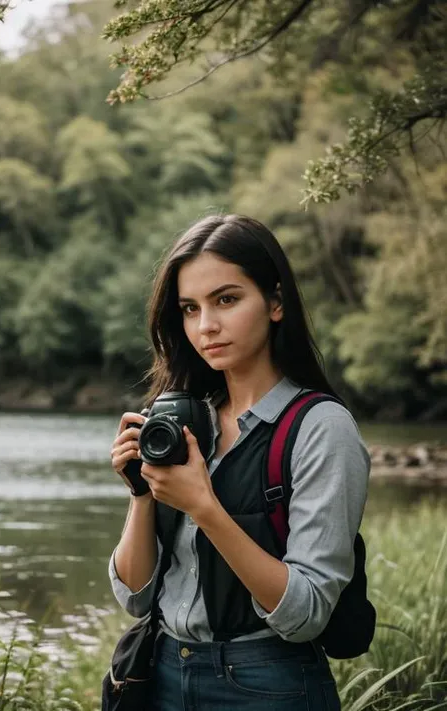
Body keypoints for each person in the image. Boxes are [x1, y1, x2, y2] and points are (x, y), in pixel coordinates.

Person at [109, 214, 370, 711]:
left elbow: (307, 613)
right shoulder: (185, 419)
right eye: (189, 308)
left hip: (268, 684)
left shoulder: (320, 429)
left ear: (275, 303)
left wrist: (204, 507)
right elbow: (135, 597)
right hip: (159, 672)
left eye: (226, 300)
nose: (205, 326)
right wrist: (142, 492)